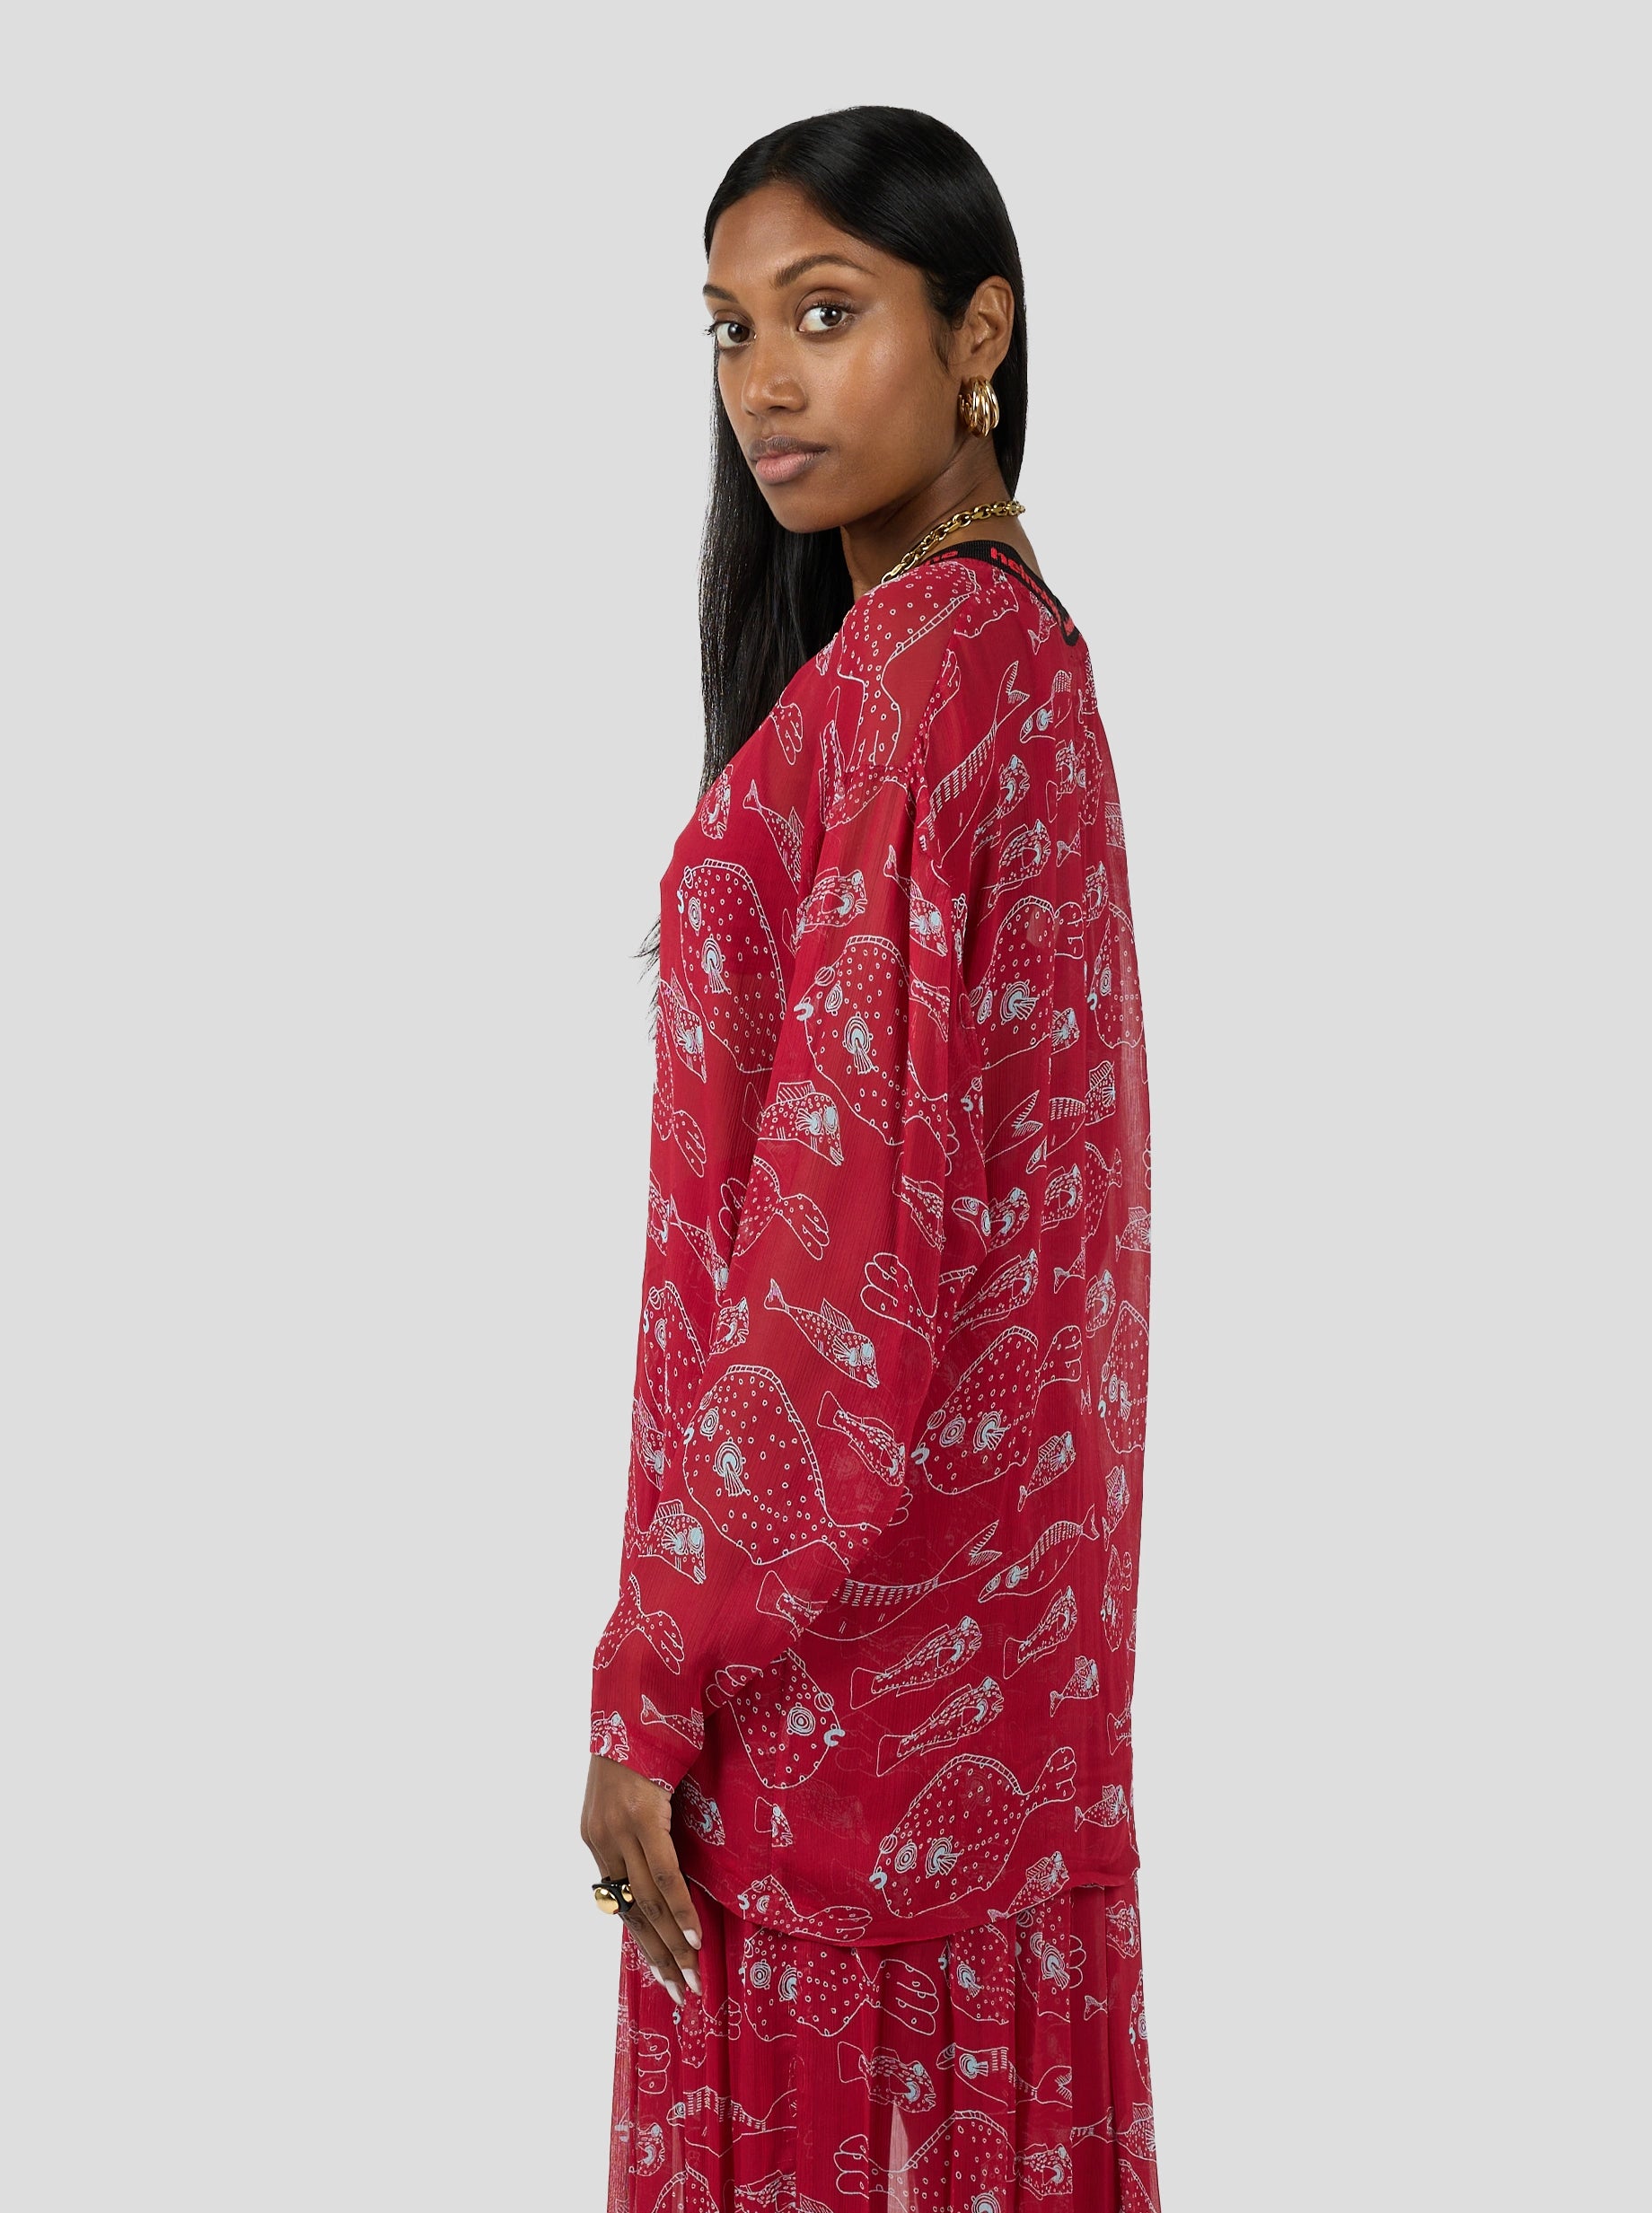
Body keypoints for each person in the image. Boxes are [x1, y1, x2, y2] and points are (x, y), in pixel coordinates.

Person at [583, 106, 1161, 2212]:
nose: (765, 379)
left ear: (976, 334)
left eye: (825, 314)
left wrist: (653, 1677)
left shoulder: (918, 689)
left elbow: (841, 1270)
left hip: (832, 1688)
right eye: (730, 327)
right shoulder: (1015, 661)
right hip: (1001, 1680)